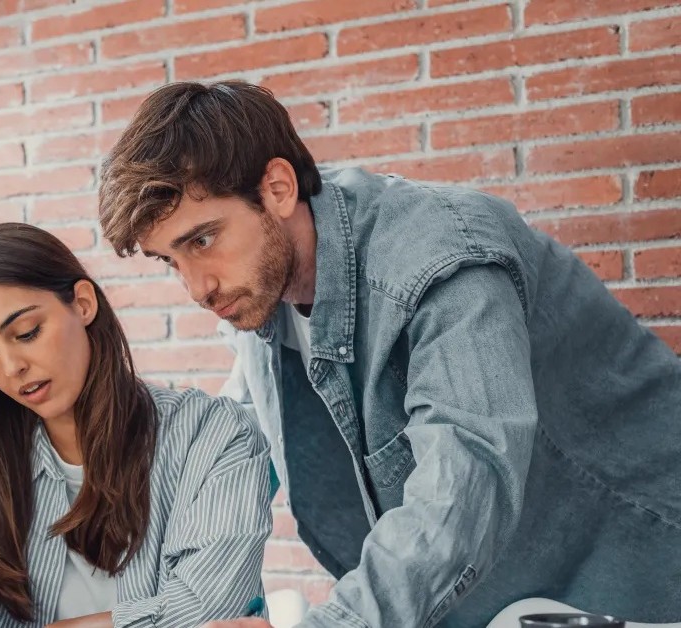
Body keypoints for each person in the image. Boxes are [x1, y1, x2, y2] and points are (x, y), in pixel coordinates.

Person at [97, 80, 681, 627]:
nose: (197, 287)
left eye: (202, 240)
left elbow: (464, 484)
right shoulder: (259, 285)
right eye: (171, 260)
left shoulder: (441, 258)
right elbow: (240, 444)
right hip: (503, 596)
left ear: (277, 189)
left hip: (639, 563)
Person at [0, 222, 274, 628]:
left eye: (27, 333)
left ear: (83, 303)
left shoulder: (214, 436)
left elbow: (206, 612)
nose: (11, 367)